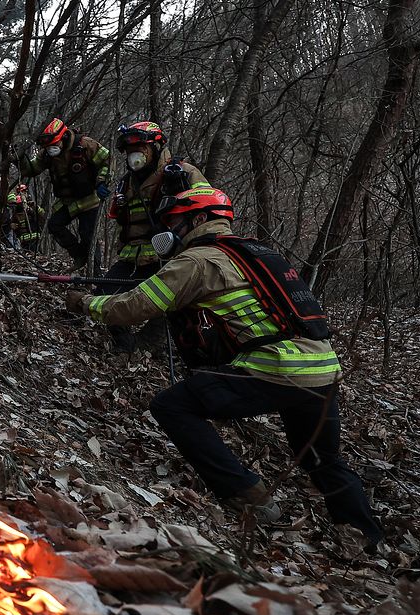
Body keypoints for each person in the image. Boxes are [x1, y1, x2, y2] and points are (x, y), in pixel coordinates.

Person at [64, 185, 385, 552]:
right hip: (324, 367)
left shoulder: (199, 259)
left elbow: (136, 307)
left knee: (172, 405)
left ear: (199, 219)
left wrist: (86, 302)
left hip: (277, 366)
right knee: (323, 460)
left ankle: (247, 494)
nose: (170, 231)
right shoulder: (254, 252)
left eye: (176, 222)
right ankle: (367, 539)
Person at [103, 121, 207, 356]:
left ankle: (153, 346)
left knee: (171, 305)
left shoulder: (184, 173)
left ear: (157, 147)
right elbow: (119, 218)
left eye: (140, 148)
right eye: (129, 151)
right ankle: (126, 345)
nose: (134, 155)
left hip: (169, 257)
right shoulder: (127, 182)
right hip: (132, 256)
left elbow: (206, 210)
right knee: (103, 292)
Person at [17, 118, 110, 269]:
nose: (51, 149)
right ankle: (79, 255)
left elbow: (107, 159)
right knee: (54, 225)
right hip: (67, 201)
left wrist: (102, 181)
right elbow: (30, 170)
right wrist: (20, 159)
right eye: (47, 147)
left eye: (54, 145)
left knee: (88, 236)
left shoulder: (85, 144)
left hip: (88, 199)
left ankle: (96, 271)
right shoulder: (47, 154)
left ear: (64, 136)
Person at [7, 184, 45, 251]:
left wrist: (32, 209)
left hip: (34, 237)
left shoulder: (32, 205)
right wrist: (11, 225)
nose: (23, 194)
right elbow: (12, 222)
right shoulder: (15, 208)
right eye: (21, 192)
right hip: (23, 240)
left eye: (24, 192)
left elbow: (41, 215)